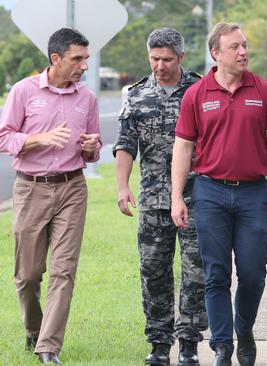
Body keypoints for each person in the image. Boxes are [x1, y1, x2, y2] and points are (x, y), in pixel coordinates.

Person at [170, 22, 267, 366]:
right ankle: (222, 345)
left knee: (253, 272)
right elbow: (183, 146)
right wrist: (178, 196)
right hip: (209, 193)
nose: (243, 52)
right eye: (235, 47)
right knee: (216, 273)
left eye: (245, 45)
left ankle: (244, 328)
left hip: (253, 194)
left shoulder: (264, 92)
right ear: (216, 53)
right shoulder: (197, 94)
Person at [0, 28, 101, 365]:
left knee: (64, 271)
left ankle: (48, 347)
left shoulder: (87, 98)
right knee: (28, 274)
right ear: (55, 58)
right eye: (77, 58)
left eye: (86, 58)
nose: (84, 66)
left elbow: (94, 148)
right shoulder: (23, 91)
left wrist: (92, 147)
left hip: (73, 188)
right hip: (30, 188)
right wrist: (38, 139)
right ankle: (33, 330)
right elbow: (4, 138)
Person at [113, 28, 207, 366]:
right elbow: (125, 144)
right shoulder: (137, 95)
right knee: (154, 272)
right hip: (154, 199)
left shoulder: (200, 90)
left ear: (181, 57)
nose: (159, 65)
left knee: (196, 273)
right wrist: (123, 187)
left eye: (167, 59)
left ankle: (190, 343)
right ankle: (158, 343)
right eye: (154, 59)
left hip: (197, 197)